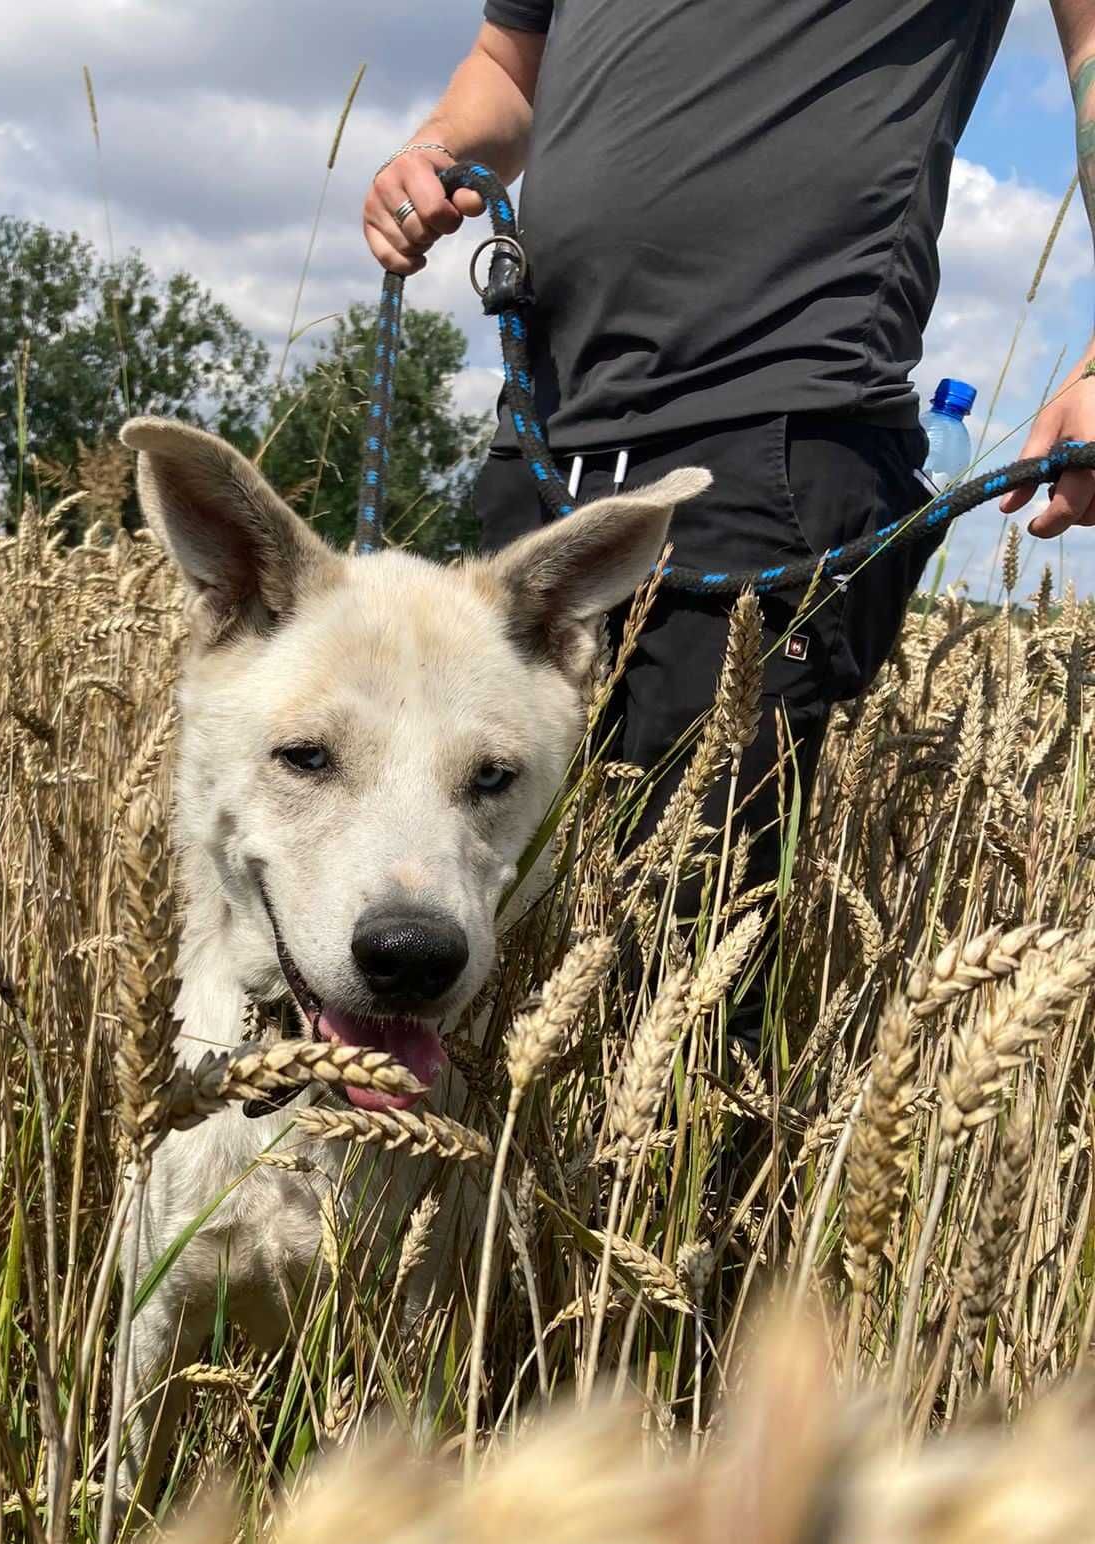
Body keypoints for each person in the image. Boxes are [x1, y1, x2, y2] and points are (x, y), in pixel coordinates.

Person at [363, 2, 1095, 1042]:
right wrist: (435, 151)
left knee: (675, 978)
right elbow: (508, 68)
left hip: (769, 445)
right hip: (540, 442)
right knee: (463, 912)